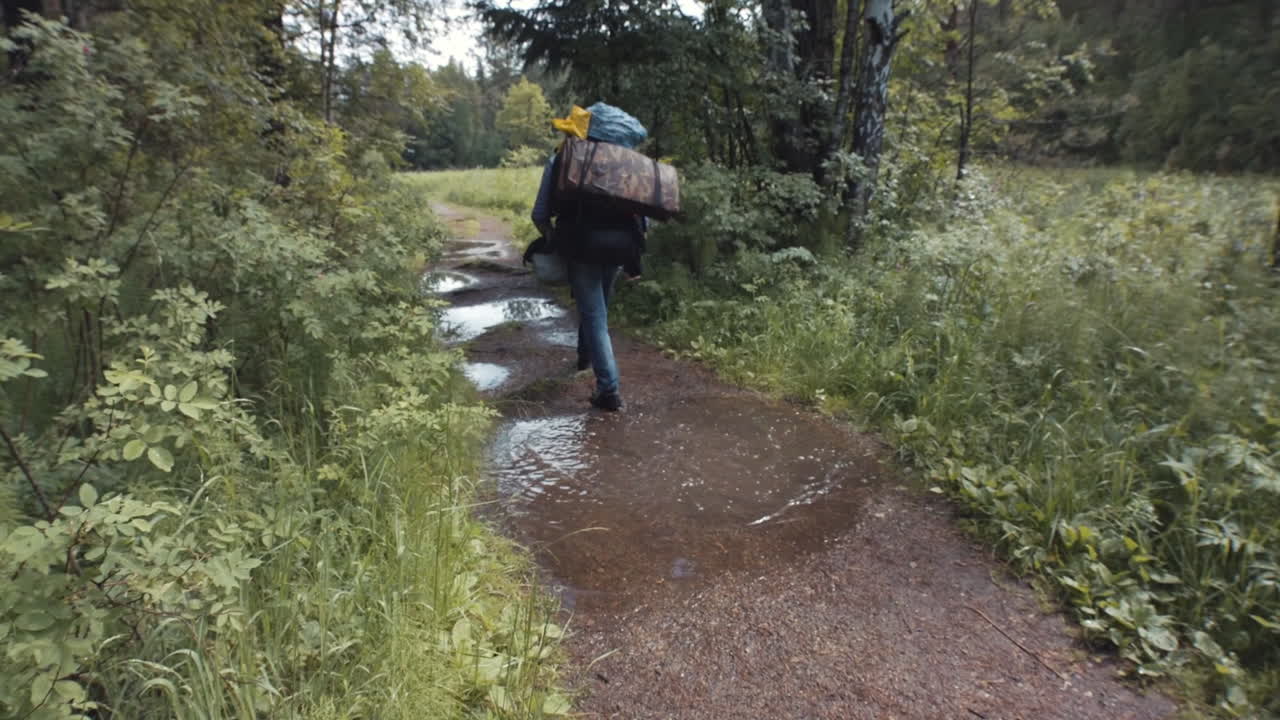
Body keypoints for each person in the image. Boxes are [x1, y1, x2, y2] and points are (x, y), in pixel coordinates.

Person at [531, 103, 648, 412]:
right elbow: (642, 215)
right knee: (598, 309)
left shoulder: (561, 159)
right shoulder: (627, 163)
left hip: (581, 246)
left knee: (595, 316)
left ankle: (608, 390)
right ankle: (584, 356)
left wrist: (552, 238)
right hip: (620, 246)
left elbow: (540, 213)